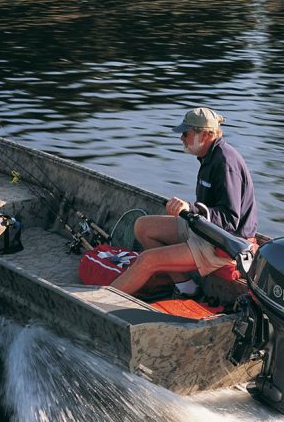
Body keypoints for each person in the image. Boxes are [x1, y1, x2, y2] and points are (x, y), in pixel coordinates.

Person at [110, 107, 257, 296]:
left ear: (205, 134)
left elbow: (230, 220)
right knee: (142, 227)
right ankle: (186, 287)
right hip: (205, 230)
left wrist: (191, 208)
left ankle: (95, 304)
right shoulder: (208, 156)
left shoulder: (225, 163)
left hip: (225, 244)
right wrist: (194, 212)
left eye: (185, 133)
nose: (181, 138)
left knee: (146, 260)